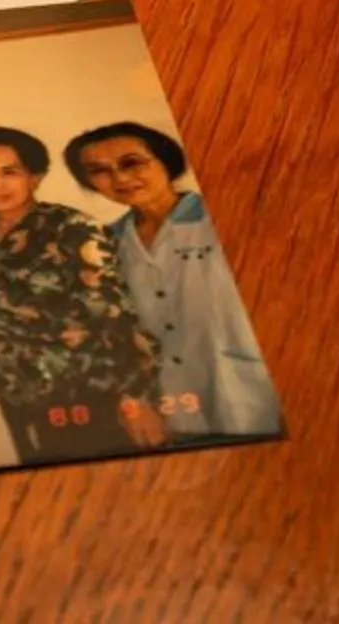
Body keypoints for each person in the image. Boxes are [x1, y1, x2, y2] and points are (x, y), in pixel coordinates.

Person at [0, 126, 168, 464]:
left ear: (35, 176)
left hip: (97, 392)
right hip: (21, 396)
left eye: (9, 172)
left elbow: (115, 315)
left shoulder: (71, 227)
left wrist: (135, 398)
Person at [65, 122, 284, 439]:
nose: (120, 178)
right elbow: (113, 329)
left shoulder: (227, 216)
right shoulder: (105, 243)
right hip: (171, 405)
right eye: (99, 170)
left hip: (253, 391)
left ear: (166, 160)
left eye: (132, 162)